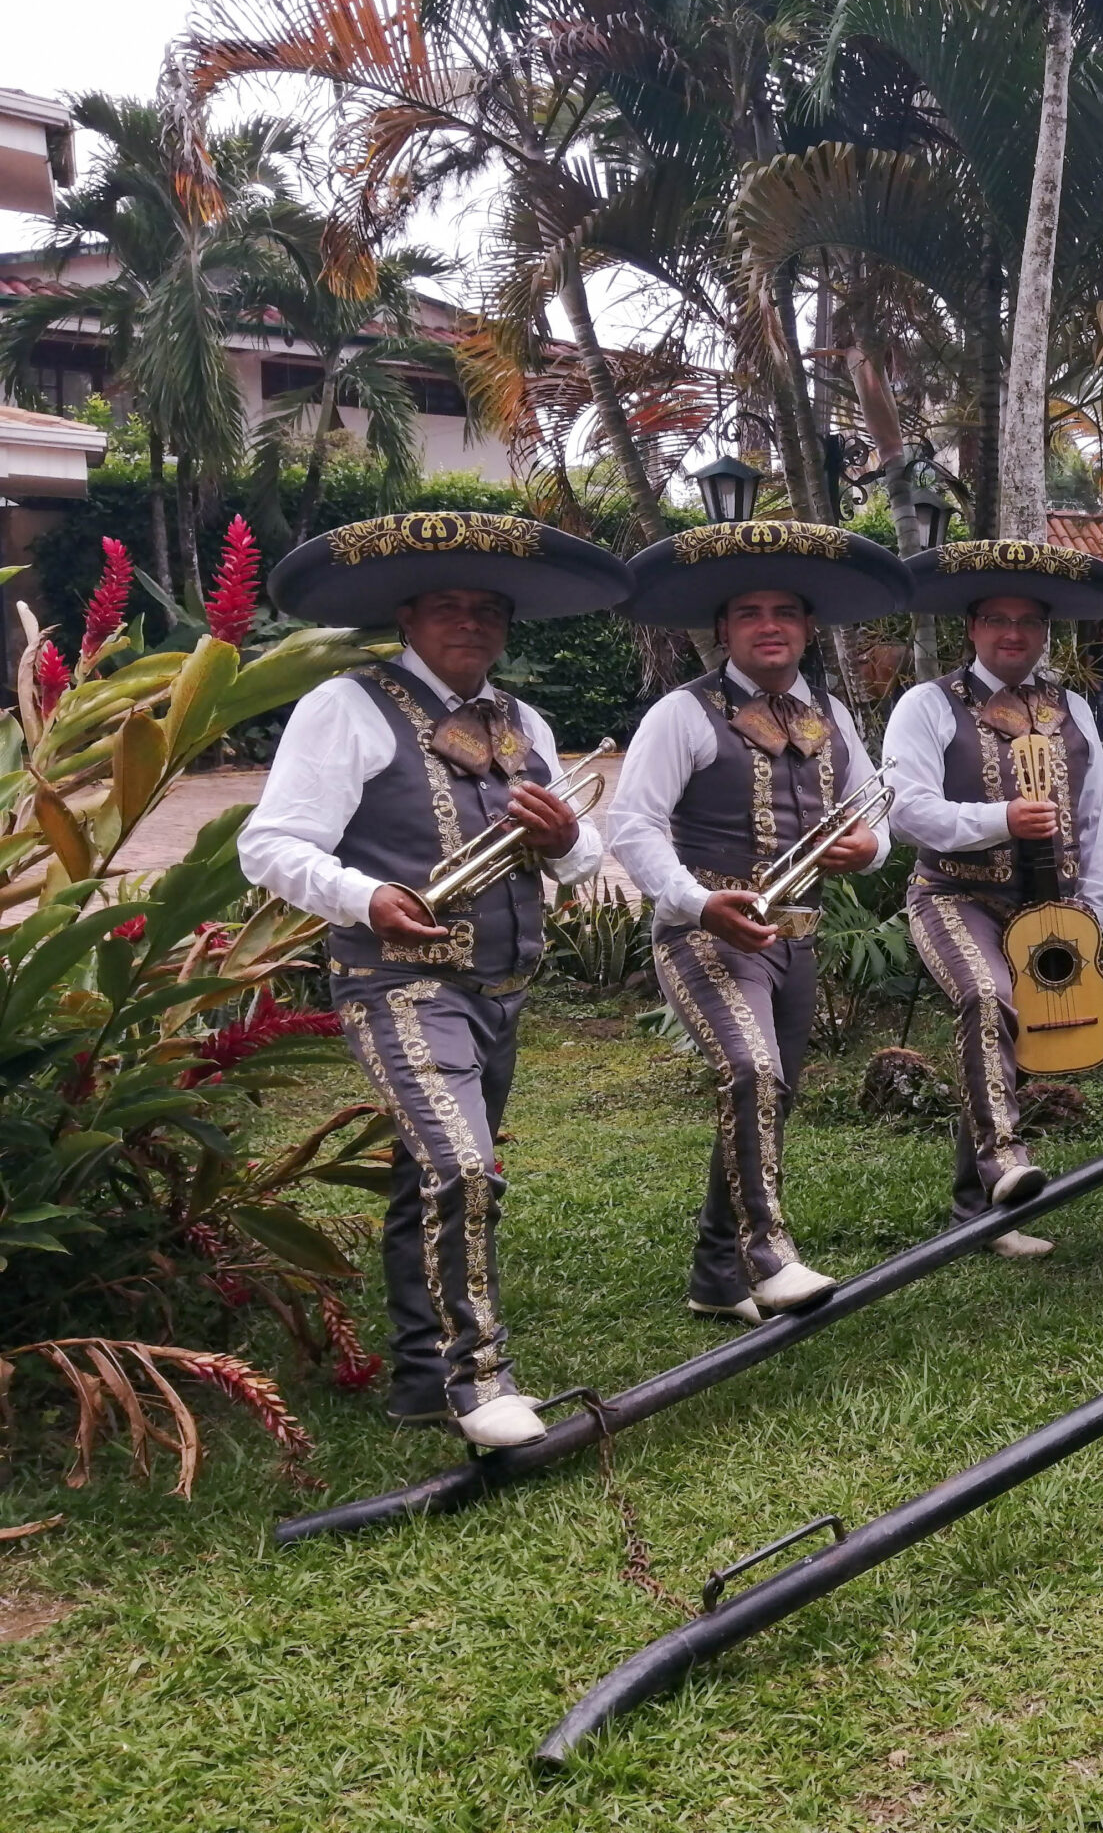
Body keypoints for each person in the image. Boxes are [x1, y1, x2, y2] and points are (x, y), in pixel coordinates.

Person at [241, 511, 633, 1447]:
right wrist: (366, 895)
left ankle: (420, 1374)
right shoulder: (348, 705)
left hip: (502, 986)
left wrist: (565, 839)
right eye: (448, 605)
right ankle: (478, 1378)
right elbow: (271, 843)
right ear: (408, 616)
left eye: (488, 608)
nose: (470, 621)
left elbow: (583, 861)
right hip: (397, 982)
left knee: (432, 1171)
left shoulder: (523, 721)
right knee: (463, 1167)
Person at [608, 520, 911, 1325]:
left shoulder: (831, 713)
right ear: (723, 629)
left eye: (784, 612)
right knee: (751, 1073)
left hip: (798, 938)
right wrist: (696, 902)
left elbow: (875, 808)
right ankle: (766, 1254)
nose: (769, 626)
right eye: (749, 613)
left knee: (771, 1097)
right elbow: (632, 825)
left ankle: (715, 1278)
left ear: (807, 627)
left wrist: (869, 848)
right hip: (706, 931)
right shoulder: (682, 713)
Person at [882, 540, 1103, 1258]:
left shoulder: (1074, 708)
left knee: (1014, 1037)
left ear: (1045, 632)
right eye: (997, 619)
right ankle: (1004, 1162)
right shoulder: (928, 704)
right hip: (953, 894)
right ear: (973, 627)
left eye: (1029, 621)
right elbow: (906, 811)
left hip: (1049, 908)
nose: (1013, 633)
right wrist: (1001, 819)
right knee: (987, 997)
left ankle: (977, 1214)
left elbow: (1095, 817)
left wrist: (1090, 912)